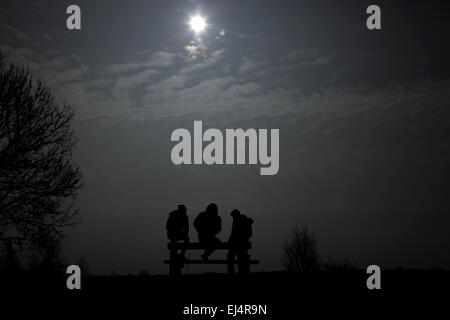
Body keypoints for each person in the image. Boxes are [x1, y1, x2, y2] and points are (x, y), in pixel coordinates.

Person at [227, 209, 254, 274]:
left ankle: (233, 271)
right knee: (238, 256)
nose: (233, 217)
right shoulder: (241, 219)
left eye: (233, 216)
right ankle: (239, 271)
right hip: (242, 244)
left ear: (235, 215)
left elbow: (233, 233)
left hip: (239, 244)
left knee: (234, 256)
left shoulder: (239, 220)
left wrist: (230, 241)